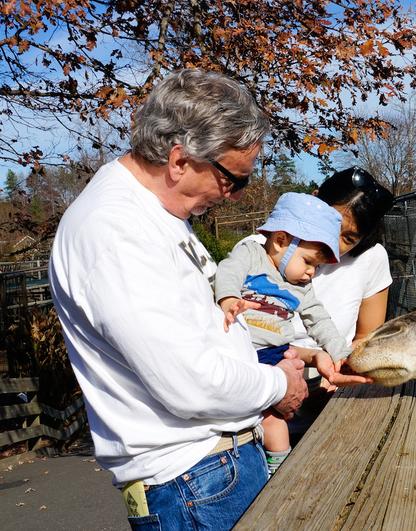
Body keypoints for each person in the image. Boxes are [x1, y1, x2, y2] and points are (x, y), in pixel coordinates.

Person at [49, 69, 308, 530]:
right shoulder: (115, 230)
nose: (234, 196)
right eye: (233, 179)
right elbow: (189, 381)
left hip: (208, 475)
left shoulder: (157, 216)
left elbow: (194, 340)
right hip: (193, 484)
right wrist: (277, 386)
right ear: (179, 160)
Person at [238, 167, 395, 439]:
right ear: (314, 200)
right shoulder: (258, 250)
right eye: (331, 221)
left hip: (330, 389)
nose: (331, 243)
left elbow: (366, 336)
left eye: (348, 238)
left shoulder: (371, 259)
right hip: (264, 383)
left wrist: (339, 369)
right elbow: (244, 335)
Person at [214, 192, 352, 475]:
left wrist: (340, 352)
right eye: (308, 261)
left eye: (316, 266)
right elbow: (227, 271)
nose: (312, 272)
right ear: (280, 241)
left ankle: (277, 471)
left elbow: (319, 319)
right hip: (238, 351)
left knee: (276, 422)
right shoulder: (251, 255)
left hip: (275, 356)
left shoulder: (301, 287)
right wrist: (228, 298)